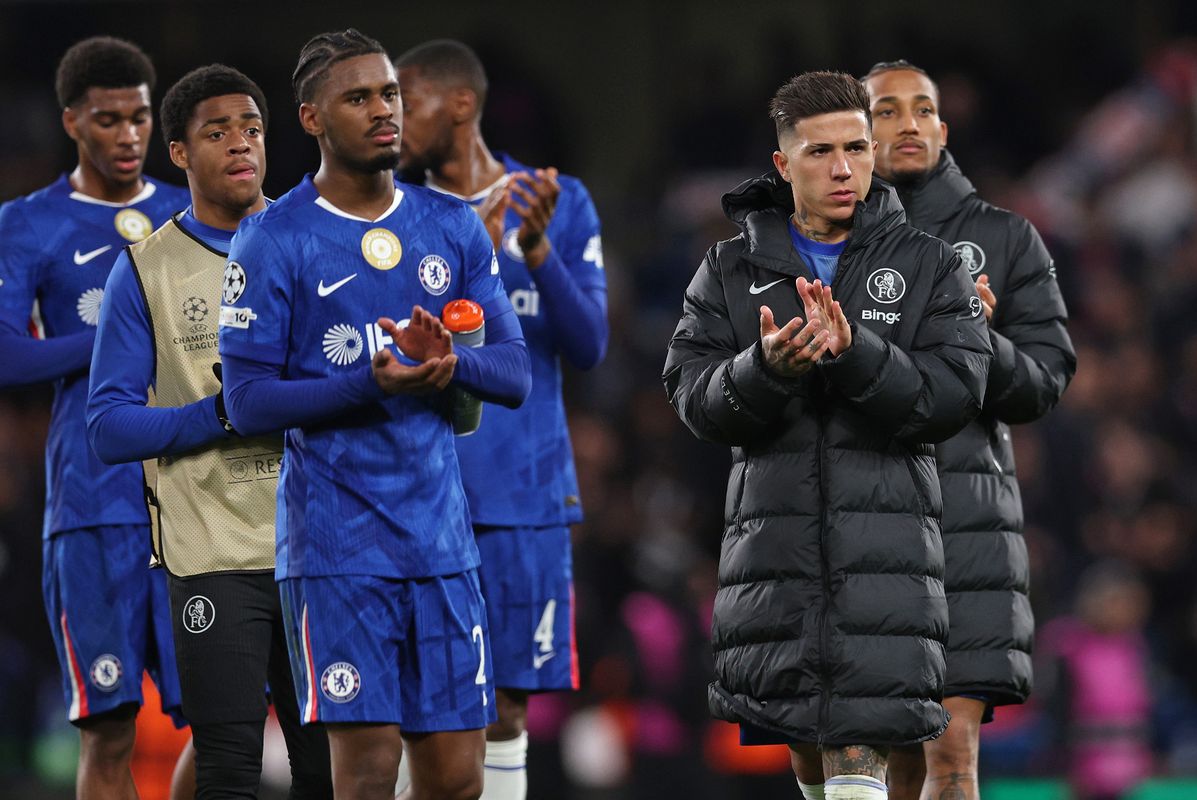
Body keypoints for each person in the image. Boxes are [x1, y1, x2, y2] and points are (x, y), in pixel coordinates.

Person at [216, 29, 531, 800]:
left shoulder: (451, 226)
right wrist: (373, 383)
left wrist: (448, 365)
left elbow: (516, 372)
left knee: (458, 779)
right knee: (364, 774)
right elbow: (246, 401)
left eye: (389, 93)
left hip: (442, 545)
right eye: (358, 98)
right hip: (337, 554)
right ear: (313, 119)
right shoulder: (272, 238)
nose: (383, 110)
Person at [662, 71, 992, 800]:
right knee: (821, 769)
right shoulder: (727, 270)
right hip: (777, 566)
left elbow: (953, 397)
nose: (842, 169)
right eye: (819, 152)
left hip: (888, 563)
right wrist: (765, 368)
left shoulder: (931, 265)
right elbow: (693, 400)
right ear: (783, 164)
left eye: (856, 148)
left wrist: (855, 355)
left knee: (861, 764)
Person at [85, 64, 334, 799]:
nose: (240, 145)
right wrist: (222, 415)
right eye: (216, 132)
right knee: (228, 765)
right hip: (211, 556)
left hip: (318, 550)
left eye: (252, 128)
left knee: (327, 767)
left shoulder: (316, 242)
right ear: (179, 152)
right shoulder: (147, 272)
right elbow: (107, 426)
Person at [393, 39, 608, 800]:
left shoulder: (559, 199)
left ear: (459, 104)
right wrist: (474, 254)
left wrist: (539, 248)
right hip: (419, 495)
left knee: (506, 706)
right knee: (411, 707)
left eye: (404, 100)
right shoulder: (395, 212)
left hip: (525, 494)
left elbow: (588, 346)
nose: (391, 118)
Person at [862, 60, 1076, 800]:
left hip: (967, 529)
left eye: (922, 109)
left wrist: (985, 337)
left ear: (945, 129)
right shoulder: (829, 244)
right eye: (887, 110)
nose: (908, 123)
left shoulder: (1009, 238)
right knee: (882, 766)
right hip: (865, 524)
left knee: (953, 758)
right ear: (859, 133)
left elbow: (1045, 382)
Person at [0, 36, 194, 799]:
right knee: (109, 733)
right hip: (92, 508)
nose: (128, 136)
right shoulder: (28, 224)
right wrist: (120, 333)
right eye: (108, 120)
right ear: (72, 121)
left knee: (228, 721)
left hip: (192, 507)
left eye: (140, 118)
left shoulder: (191, 211)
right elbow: (8, 357)